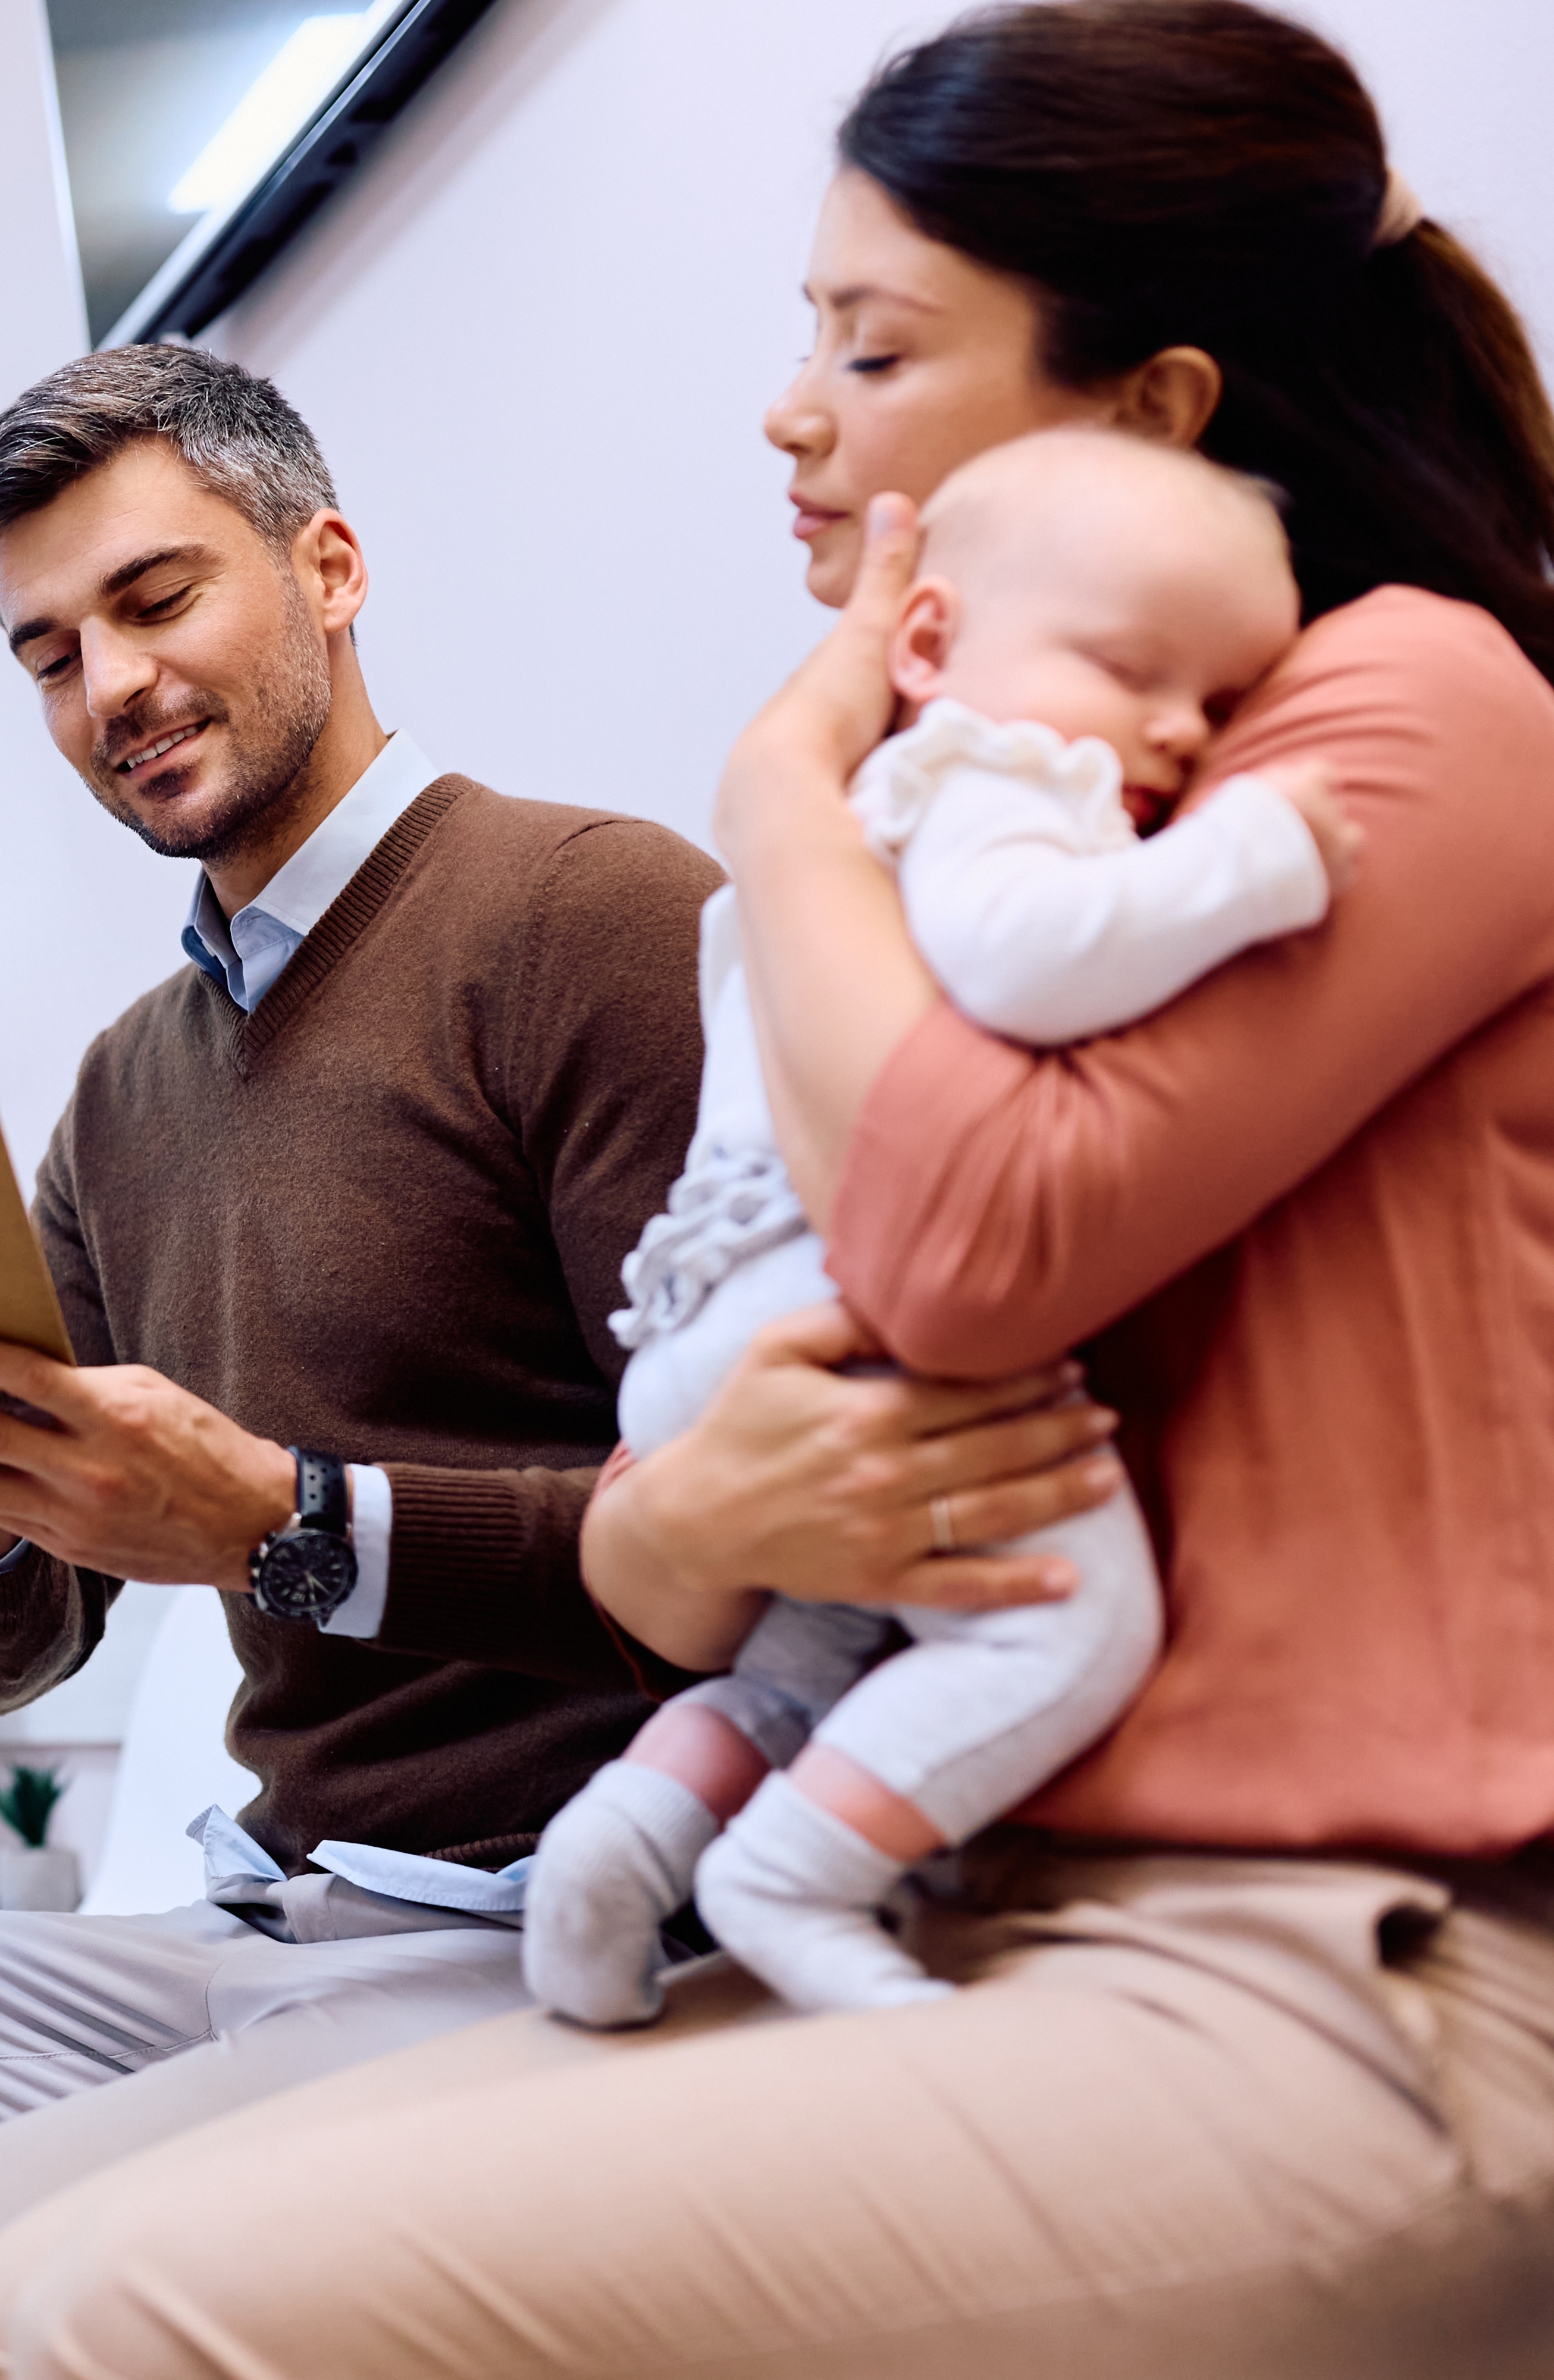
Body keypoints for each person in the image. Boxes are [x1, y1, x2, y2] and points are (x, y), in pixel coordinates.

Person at [0, 4, 1554, 2373]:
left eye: (873, 341)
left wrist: (794, 787)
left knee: (91, 2320)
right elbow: (692, 1519)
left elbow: (948, 1255)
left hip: (1343, 1954)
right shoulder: (1023, 810)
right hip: (962, 1895)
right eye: (47, 653)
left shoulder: (1393, 717)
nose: (789, 406)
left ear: (1150, 411)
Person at [0, 345, 1124, 2380]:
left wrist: (285, 1527)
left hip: (545, 1924)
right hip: (255, 1922)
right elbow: (9, 1656)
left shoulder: (595, 923)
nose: (111, 690)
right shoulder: (121, 1094)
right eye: (48, 654)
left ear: (330, 565)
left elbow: (769, 1551)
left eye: (158, 601)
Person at [528, 428, 1360, 2023]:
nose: (1182, 732)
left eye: (1220, 699)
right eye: (1135, 669)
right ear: (928, 647)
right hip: (844, 1308)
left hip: (718, 1339)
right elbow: (1027, 958)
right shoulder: (987, 781)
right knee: (1069, 1630)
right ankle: (796, 1877)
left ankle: (620, 1851)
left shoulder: (823, 845)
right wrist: (1252, 862)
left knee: (820, 1651)